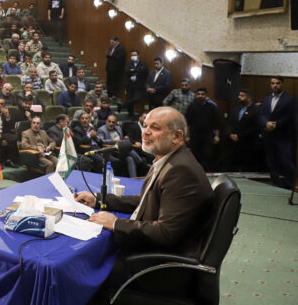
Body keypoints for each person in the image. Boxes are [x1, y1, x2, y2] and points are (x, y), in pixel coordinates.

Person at [76, 108, 214, 303]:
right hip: (154, 250)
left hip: (160, 264)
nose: (145, 132)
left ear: (177, 136)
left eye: (155, 128)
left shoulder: (181, 170)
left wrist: (116, 223)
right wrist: (99, 200)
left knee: (84, 268)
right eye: (146, 126)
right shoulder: (168, 159)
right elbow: (144, 200)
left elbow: (165, 232)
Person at [258, 77, 297, 189]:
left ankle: (290, 185)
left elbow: (291, 116)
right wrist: (266, 123)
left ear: (282, 84)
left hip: (283, 136)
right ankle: (275, 184)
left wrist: (276, 124)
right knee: (271, 161)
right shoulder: (266, 99)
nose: (275, 85)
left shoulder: (290, 99)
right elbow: (261, 115)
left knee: (286, 161)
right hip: (269, 135)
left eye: (277, 83)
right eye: (272, 83)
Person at [185, 88, 220, 170]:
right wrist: (187, 136)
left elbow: (217, 123)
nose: (200, 96)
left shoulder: (212, 107)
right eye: (198, 94)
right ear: (196, 95)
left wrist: (217, 136)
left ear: (206, 95)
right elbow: (187, 123)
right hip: (195, 135)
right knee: (195, 156)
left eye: (202, 94)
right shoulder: (191, 107)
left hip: (208, 135)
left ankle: (207, 175)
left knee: (207, 156)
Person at [229, 89, 262, 172]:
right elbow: (229, 123)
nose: (239, 97)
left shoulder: (255, 110)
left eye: (242, 96)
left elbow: (255, 127)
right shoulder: (236, 109)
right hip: (235, 143)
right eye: (239, 95)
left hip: (249, 144)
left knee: (247, 167)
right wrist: (230, 134)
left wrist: (240, 135)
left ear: (249, 98)